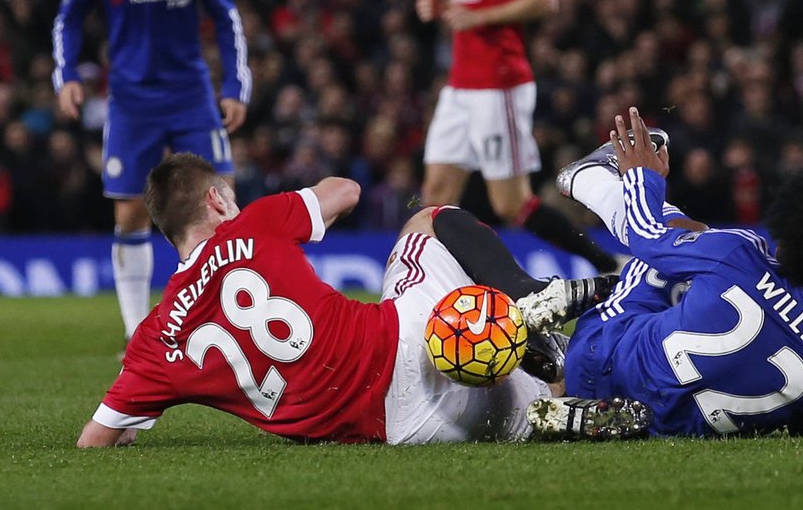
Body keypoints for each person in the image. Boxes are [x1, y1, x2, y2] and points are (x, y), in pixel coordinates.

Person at [76, 153, 648, 447]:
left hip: (398, 426)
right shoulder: (252, 223)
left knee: (523, 409)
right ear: (217, 199)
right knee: (430, 218)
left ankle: (540, 408)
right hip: (408, 338)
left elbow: (96, 439)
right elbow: (345, 193)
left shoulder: (156, 340)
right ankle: (522, 303)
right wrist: (295, 202)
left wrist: (130, 427)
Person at [552, 107, 803, 437]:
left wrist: (642, 177)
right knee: (695, 260)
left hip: (598, 363)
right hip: (661, 422)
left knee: (677, 251)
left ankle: (590, 178)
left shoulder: (739, 252)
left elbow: (646, 236)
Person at [52, 0, 250, 344]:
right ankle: (136, 333)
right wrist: (67, 75)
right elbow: (68, 20)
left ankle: (233, 324)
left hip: (191, 96)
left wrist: (235, 88)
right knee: (129, 214)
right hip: (131, 102)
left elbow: (227, 18)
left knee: (221, 206)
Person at [415, 0, 620, 275]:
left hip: (499, 83)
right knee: (435, 194)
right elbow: (473, 1)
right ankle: (443, 288)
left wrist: (477, 15)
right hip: (460, 84)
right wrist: (443, 9)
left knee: (511, 203)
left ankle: (604, 262)